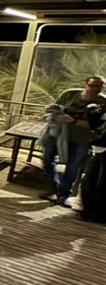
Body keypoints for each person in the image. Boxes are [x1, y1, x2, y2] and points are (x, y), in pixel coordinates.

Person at [42, 75, 106, 207]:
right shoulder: (70, 94)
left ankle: (63, 194)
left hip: (82, 139)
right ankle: (56, 187)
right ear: (86, 85)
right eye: (92, 86)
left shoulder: (103, 101)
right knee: (47, 160)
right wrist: (56, 117)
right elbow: (54, 108)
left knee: (73, 168)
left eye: (99, 87)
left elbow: (99, 125)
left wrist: (75, 121)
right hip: (59, 135)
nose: (95, 89)